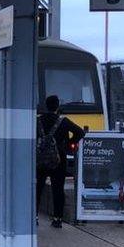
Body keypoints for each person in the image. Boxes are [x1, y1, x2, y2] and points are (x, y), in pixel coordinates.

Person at [36, 94, 85, 228]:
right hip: (59, 160)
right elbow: (80, 132)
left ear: (46, 106)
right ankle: (57, 219)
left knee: (38, 188)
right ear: (58, 106)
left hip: (40, 161)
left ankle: (34, 216)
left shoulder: (38, 121)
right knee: (58, 189)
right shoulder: (63, 121)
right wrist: (68, 144)